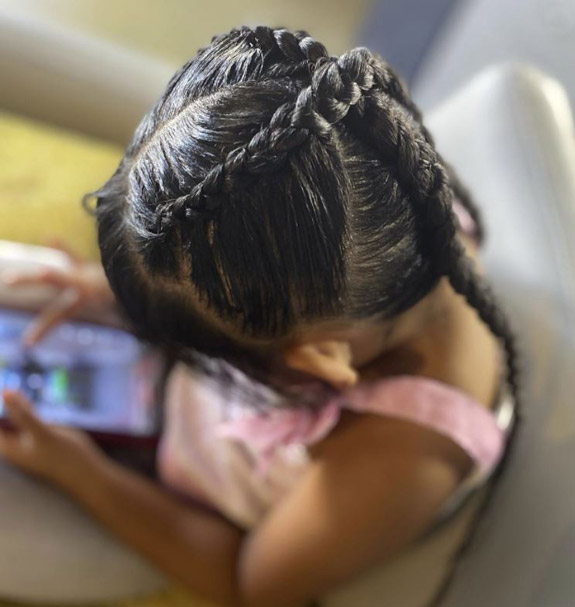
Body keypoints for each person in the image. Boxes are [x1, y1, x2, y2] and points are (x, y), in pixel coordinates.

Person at [0, 26, 519, 607]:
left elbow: (252, 584)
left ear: (317, 359)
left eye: (198, 343)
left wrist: (81, 474)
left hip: (174, 505)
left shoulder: (402, 460)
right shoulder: (386, 182)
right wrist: (123, 290)